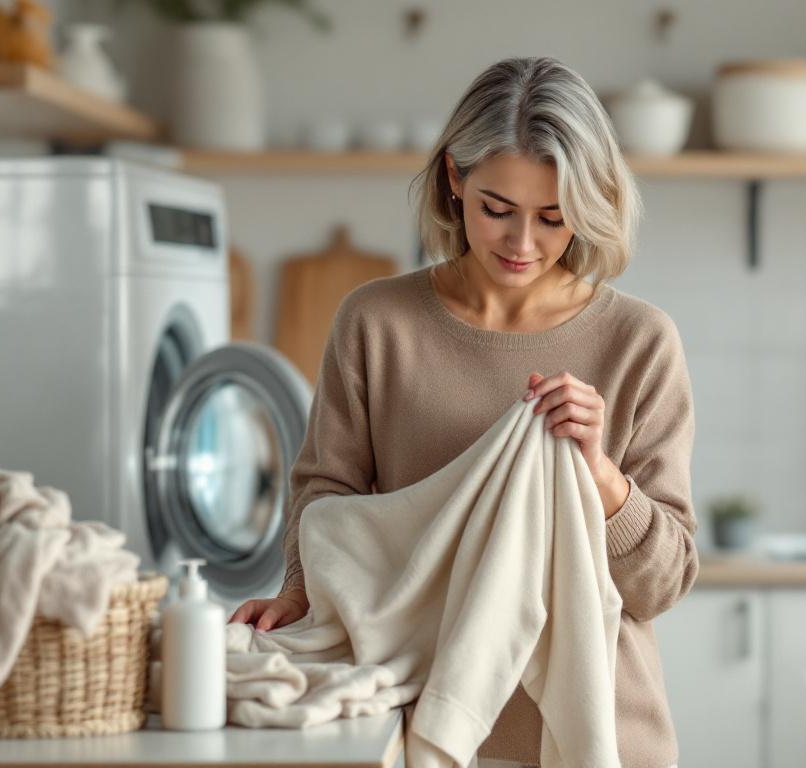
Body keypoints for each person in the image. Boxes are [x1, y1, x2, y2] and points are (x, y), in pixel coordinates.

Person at [229, 56, 698, 768]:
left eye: (553, 217)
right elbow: (326, 494)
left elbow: (662, 584)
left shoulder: (640, 342)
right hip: (417, 720)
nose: (522, 243)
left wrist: (599, 476)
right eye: (497, 209)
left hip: (598, 732)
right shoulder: (377, 321)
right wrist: (299, 589)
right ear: (454, 177)